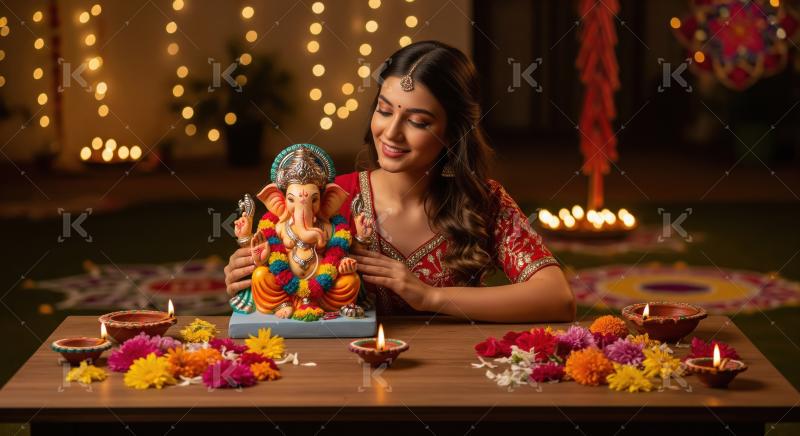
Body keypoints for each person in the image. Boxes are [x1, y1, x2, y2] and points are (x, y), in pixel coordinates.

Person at [224, 40, 575, 323]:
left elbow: (556, 298)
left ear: (454, 134)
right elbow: (283, 286)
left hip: (456, 377)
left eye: (418, 121)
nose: (391, 134)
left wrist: (429, 296)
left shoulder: (482, 201)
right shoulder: (332, 197)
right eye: (385, 110)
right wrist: (248, 275)